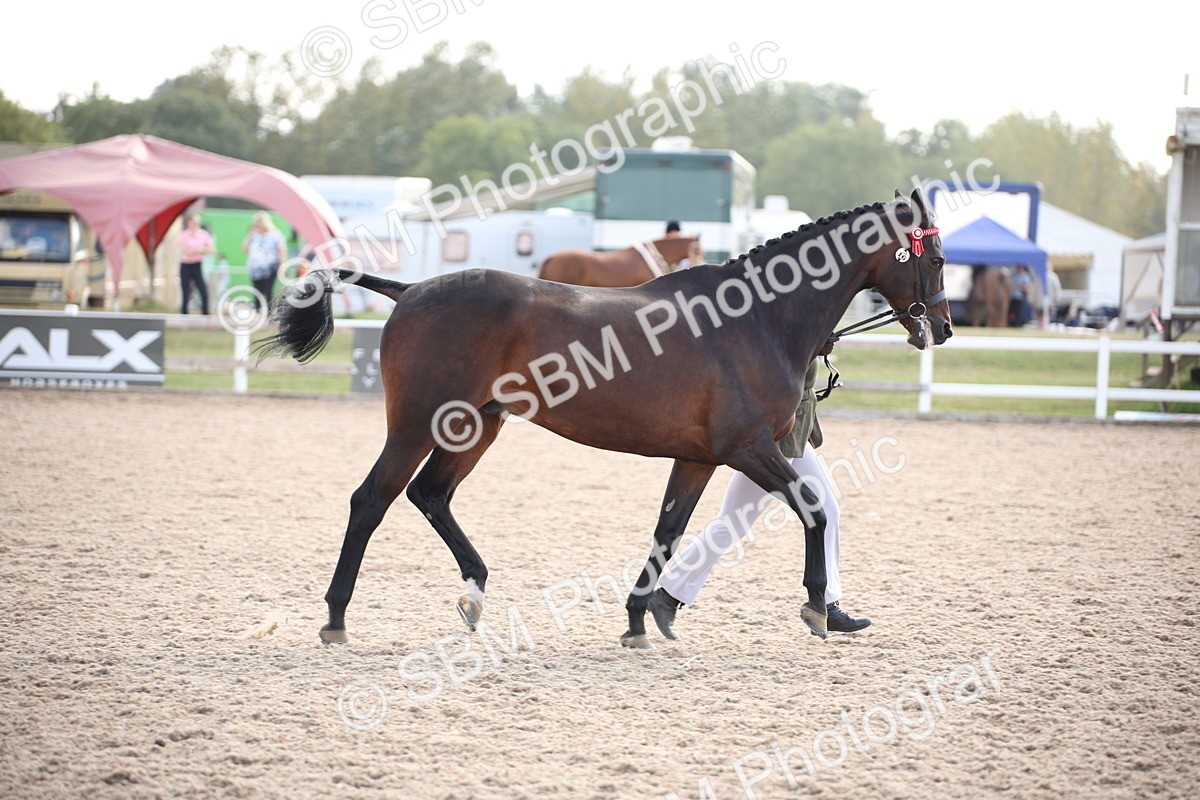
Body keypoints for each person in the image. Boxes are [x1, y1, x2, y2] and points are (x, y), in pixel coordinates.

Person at [649, 339, 872, 638]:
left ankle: (828, 604)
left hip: (796, 429)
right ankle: (667, 594)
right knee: (734, 520)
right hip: (775, 437)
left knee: (827, 509)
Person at [243, 211, 287, 309]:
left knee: (268, 290)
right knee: (257, 291)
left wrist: (282, 265)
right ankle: (258, 311)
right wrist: (249, 235)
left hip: (270, 266)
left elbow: (282, 250)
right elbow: (245, 249)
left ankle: (269, 312)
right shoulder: (254, 234)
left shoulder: (275, 234)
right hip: (255, 268)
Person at [178, 212, 215, 315]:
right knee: (185, 291)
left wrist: (203, 249)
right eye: (193, 222)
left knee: (203, 290)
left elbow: (212, 250)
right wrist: (198, 250)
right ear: (188, 223)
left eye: (197, 222)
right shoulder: (183, 235)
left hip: (197, 265)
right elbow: (185, 252)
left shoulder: (204, 234)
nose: (195, 224)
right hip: (185, 265)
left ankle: (205, 314)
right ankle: (184, 314)